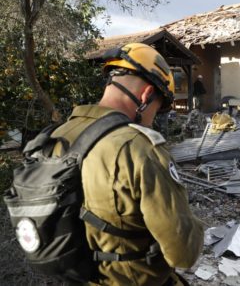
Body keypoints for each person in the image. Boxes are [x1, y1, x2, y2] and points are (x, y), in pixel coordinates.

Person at [51, 43, 204, 286]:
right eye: (158, 109)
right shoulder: (139, 148)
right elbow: (183, 254)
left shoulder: (58, 136)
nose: (154, 120)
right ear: (146, 96)